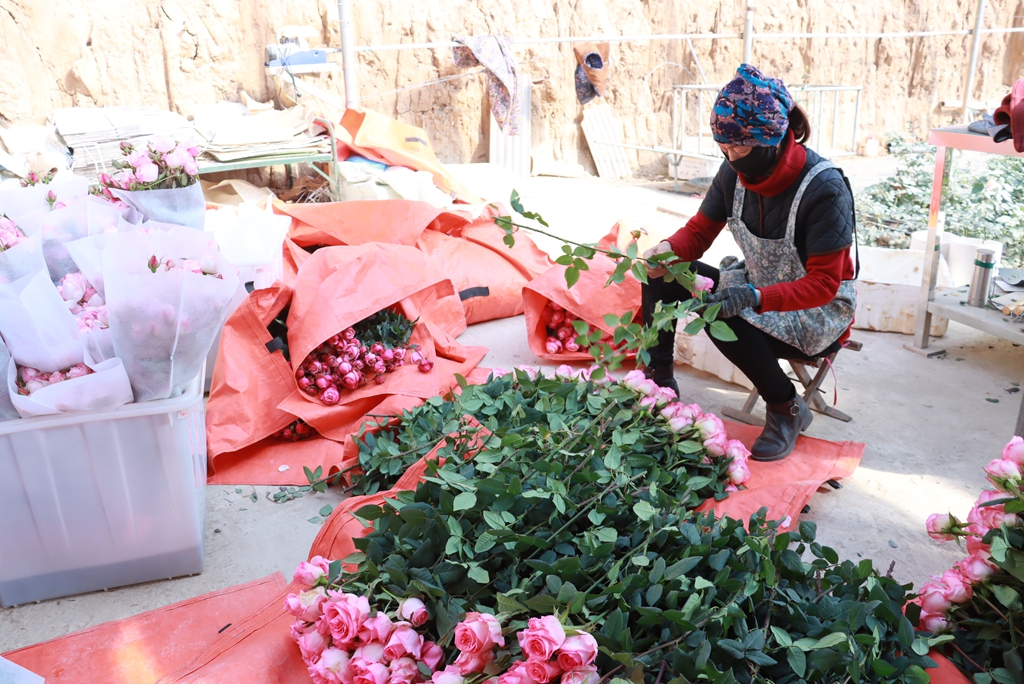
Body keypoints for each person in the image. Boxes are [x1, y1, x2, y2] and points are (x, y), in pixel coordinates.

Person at [641, 64, 857, 462]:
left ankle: (786, 407)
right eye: (724, 148)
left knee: (725, 312)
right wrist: (667, 250)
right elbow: (700, 232)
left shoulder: (823, 188)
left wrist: (753, 296)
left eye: (740, 148)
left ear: (772, 140)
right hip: (755, 287)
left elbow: (825, 283)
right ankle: (659, 383)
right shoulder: (732, 173)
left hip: (816, 310)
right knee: (664, 275)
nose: (732, 156)